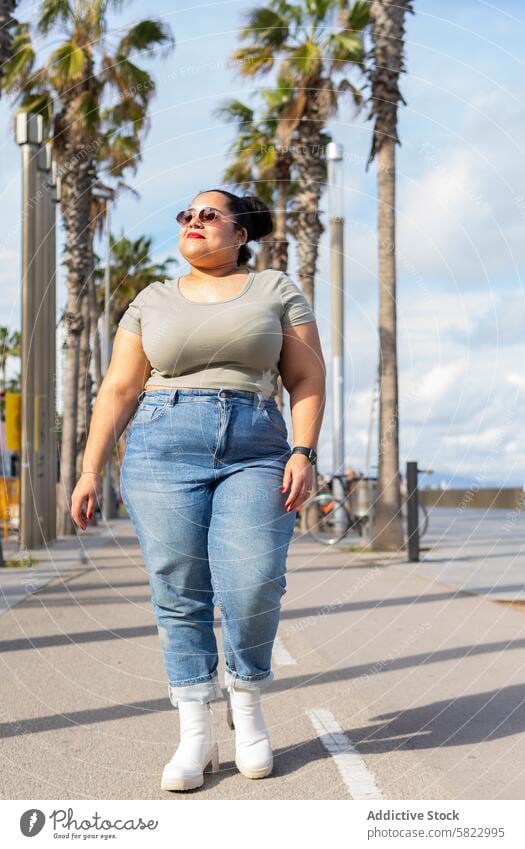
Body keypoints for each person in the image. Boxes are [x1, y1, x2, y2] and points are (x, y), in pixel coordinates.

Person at [70, 188, 326, 792]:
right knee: (178, 588)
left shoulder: (275, 290)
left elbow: (307, 374)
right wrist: (88, 468)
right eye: (186, 215)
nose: (194, 222)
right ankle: (195, 733)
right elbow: (119, 389)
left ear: (240, 235)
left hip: (257, 444)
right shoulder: (152, 300)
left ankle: (247, 706)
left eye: (209, 214)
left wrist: (304, 451)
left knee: (254, 579)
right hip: (162, 442)